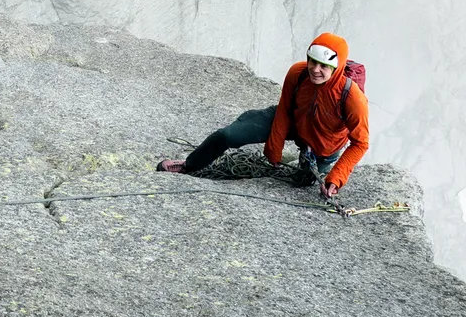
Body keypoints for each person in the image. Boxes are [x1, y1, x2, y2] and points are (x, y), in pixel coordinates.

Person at [156, 32, 369, 197]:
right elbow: (285, 109)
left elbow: (360, 143)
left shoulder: (352, 98)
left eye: (324, 66)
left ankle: (301, 160)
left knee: (302, 181)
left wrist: (336, 178)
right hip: (294, 123)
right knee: (228, 135)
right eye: (313, 61)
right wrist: (274, 147)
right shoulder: (298, 73)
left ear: (337, 67)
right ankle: (189, 164)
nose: (315, 69)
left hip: (323, 145)